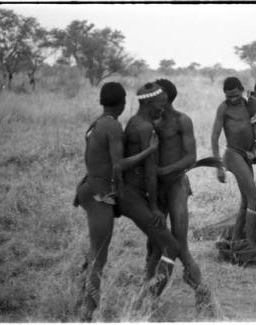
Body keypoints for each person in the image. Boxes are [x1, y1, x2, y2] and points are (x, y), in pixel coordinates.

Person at [75, 82, 159, 321]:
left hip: (88, 187)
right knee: (99, 257)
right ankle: (87, 312)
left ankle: (81, 296)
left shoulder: (97, 123)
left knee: (95, 250)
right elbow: (118, 166)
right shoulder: (112, 126)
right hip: (100, 195)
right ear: (122, 103)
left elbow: (92, 158)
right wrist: (148, 151)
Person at [145, 78, 215, 315]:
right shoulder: (150, 121)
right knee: (154, 242)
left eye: (157, 94)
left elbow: (191, 157)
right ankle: (150, 297)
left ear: (167, 97)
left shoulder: (182, 121)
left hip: (176, 185)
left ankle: (201, 292)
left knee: (180, 242)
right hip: (154, 188)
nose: (153, 97)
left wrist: (163, 171)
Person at [118, 82, 182, 304]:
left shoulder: (136, 122)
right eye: (160, 104)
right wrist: (154, 206)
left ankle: (146, 291)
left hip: (131, 193)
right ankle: (148, 300)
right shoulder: (146, 129)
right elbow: (150, 172)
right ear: (147, 103)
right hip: (132, 196)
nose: (162, 109)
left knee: (158, 243)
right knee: (171, 246)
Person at [211, 76, 256, 247]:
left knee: (246, 201)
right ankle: (250, 242)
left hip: (247, 155)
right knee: (255, 199)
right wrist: (218, 166)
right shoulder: (223, 108)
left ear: (241, 90)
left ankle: (236, 240)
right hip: (233, 155)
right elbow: (214, 136)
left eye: (235, 95)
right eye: (228, 96)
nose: (232, 99)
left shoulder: (247, 104)